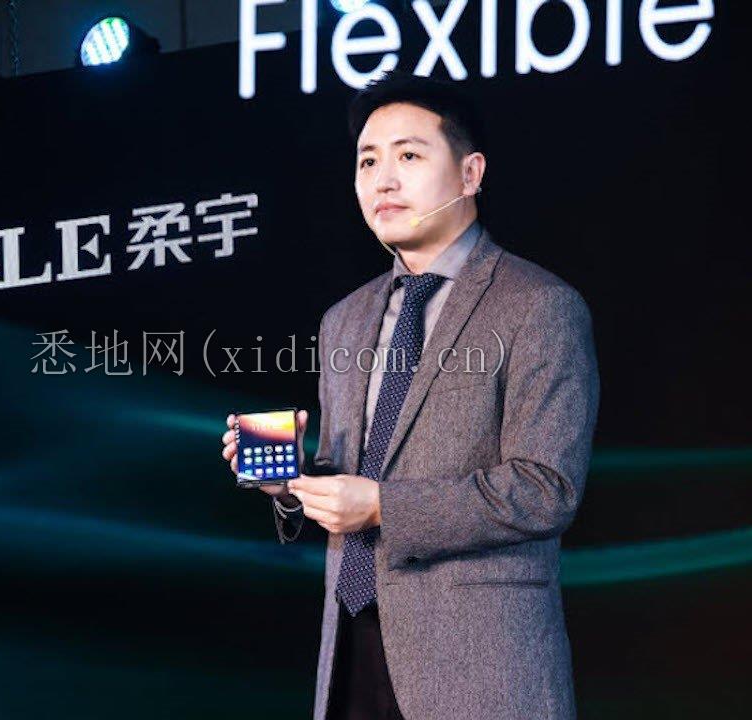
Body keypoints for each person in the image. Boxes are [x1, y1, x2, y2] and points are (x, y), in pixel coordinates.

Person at [221, 71, 599, 720]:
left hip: (478, 669)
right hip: (350, 656)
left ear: (471, 173)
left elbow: (545, 489)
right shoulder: (344, 319)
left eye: (409, 156)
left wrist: (381, 507)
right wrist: (291, 485)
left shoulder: (538, 306)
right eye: (368, 162)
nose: (383, 180)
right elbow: (355, 476)